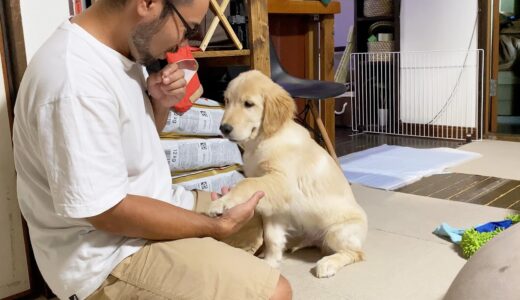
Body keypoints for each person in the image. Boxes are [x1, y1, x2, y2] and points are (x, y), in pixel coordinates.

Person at [12, 0, 292, 299]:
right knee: (275, 292)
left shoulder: (122, 52)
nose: (182, 45)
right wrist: (212, 227)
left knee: (260, 219)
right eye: (188, 30)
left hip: (149, 204)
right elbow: (106, 212)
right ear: (148, 4)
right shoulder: (74, 81)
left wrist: (158, 103)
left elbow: (136, 147)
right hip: (104, 256)